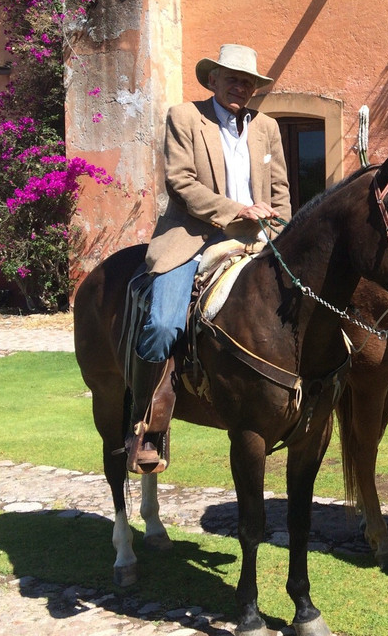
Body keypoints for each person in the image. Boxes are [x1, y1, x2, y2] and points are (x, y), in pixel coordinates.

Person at [127, 44, 291, 473]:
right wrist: (236, 209)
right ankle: (149, 423)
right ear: (213, 80)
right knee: (163, 323)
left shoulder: (267, 128)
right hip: (194, 237)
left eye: (250, 81)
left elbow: (280, 192)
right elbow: (180, 182)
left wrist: (284, 228)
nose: (242, 86)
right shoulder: (185, 117)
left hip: (259, 239)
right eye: (233, 77)